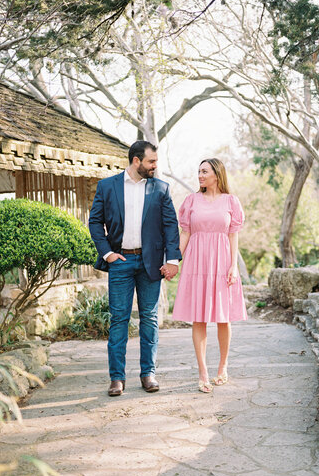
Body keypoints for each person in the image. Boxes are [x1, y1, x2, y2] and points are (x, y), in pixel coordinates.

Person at [89, 141, 181, 396]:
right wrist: (107, 253)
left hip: (150, 263)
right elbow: (95, 221)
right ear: (136, 161)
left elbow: (171, 226)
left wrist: (172, 259)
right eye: (151, 161)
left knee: (149, 319)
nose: (155, 166)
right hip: (120, 262)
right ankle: (116, 378)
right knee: (119, 319)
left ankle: (148, 373)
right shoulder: (107, 186)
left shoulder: (161, 189)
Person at [171, 158, 247, 393]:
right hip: (196, 262)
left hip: (223, 261)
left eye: (205, 171)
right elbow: (185, 233)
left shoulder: (231, 201)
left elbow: (233, 235)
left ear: (217, 174)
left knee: (223, 317)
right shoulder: (191, 201)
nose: (200, 175)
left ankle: (223, 367)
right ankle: (203, 371)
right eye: (199, 171)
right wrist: (174, 260)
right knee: (199, 317)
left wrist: (233, 266)